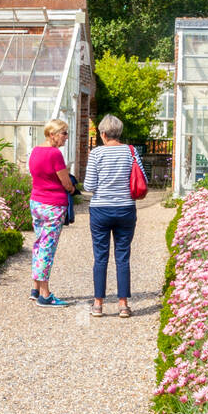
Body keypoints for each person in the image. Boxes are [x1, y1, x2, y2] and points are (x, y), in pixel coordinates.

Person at [84, 115, 147, 318]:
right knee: (122, 256)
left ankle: (98, 304)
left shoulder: (96, 154)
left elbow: (89, 186)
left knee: (100, 256)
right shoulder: (131, 151)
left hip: (100, 210)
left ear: (103, 134)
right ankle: (123, 304)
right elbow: (142, 178)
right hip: (125, 209)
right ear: (119, 132)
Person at [27, 119, 75, 306]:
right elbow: (65, 182)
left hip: (36, 202)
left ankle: (35, 288)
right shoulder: (55, 154)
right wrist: (71, 189)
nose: (66, 137)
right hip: (52, 205)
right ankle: (45, 295)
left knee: (39, 243)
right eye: (64, 133)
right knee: (47, 247)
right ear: (53, 134)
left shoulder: (35, 151)